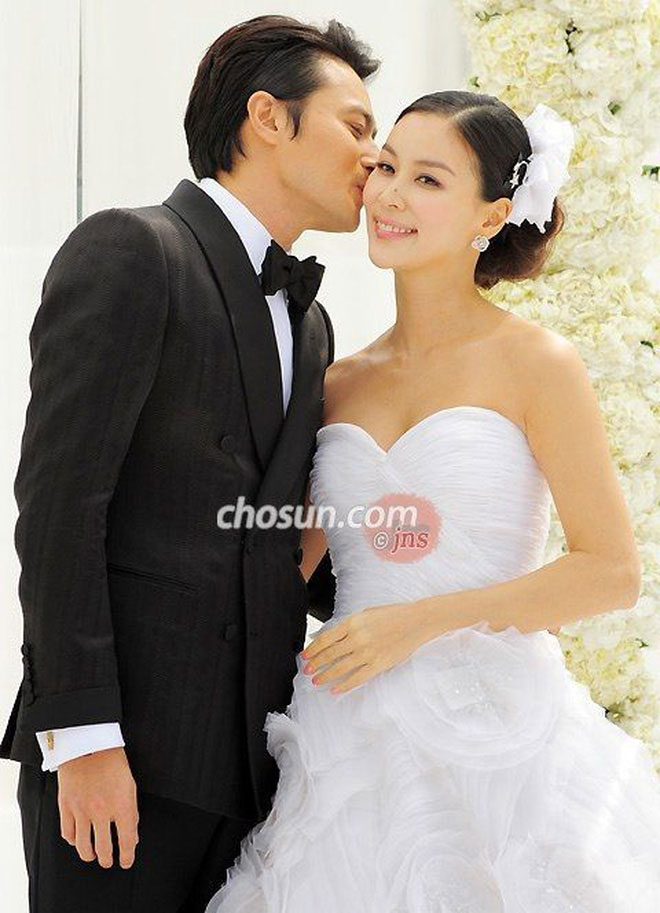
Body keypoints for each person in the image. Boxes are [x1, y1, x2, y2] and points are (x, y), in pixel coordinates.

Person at [206, 92, 660, 912]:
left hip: (499, 735)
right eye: (386, 167)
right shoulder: (336, 380)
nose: (389, 194)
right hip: (347, 740)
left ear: (491, 216)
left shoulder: (538, 364)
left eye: (428, 179)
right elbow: (281, 567)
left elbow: (611, 572)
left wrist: (416, 622)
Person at [0, 15, 380, 912]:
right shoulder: (135, 248)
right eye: (357, 124)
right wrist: (83, 737)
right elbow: (60, 508)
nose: (375, 156)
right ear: (268, 117)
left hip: (257, 771)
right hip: (124, 756)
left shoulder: (313, 323)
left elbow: (273, 536)